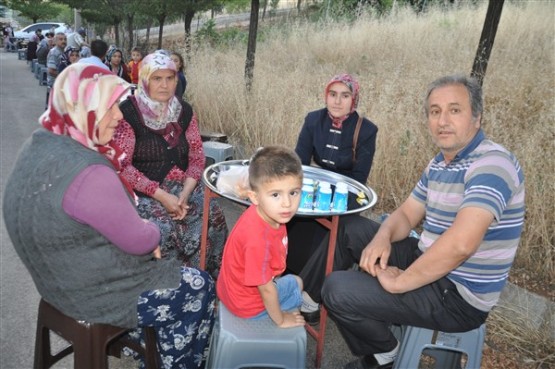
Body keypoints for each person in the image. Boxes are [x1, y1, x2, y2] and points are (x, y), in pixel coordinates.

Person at [2, 63, 216, 368]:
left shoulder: (40, 143)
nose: (118, 114)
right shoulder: (90, 171)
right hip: (90, 293)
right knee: (199, 285)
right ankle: (171, 361)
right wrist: (154, 229)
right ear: (83, 108)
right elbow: (140, 241)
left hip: (52, 279)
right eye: (109, 106)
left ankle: (140, 345)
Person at [321, 74, 525, 369]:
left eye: (455, 110)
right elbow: (405, 215)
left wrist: (399, 283)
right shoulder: (440, 162)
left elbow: (461, 245)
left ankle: (384, 352)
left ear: (476, 118)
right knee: (350, 229)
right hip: (427, 258)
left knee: (337, 289)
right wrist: (381, 237)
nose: (443, 120)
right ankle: (325, 304)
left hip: (457, 295)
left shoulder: (492, 164)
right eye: (435, 111)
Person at [113, 51, 228, 278]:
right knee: (162, 229)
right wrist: (163, 197)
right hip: (144, 191)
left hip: (183, 185)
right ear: (144, 80)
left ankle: (206, 283)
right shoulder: (128, 113)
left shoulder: (184, 111)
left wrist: (185, 193)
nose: (164, 85)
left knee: (213, 216)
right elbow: (123, 166)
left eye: (170, 78)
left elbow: (196, 155)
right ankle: (169, 292)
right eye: (157, 78)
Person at [286, 73, 379, 324]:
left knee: (331, 232)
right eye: (333, 94)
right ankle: (288, 285)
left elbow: (360, 177)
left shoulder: (366, 130)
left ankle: (314, 297)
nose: (338, 101)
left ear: (354, 99)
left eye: (345, 95)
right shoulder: (313, 119)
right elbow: (300, 161)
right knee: (292, 220)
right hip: (314, 187)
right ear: (326, 95)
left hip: (345, 195)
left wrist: (331, 198)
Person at [217, 146, 306, 328]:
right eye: (275, 195)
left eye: (293, 192)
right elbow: (266, 289)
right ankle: (273, 322)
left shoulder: (262, 213)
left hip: (232, 291)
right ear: (254, 197)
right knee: (297, 282)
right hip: (247, 307)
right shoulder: (258, 241)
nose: (287, 203)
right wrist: (281, 319)